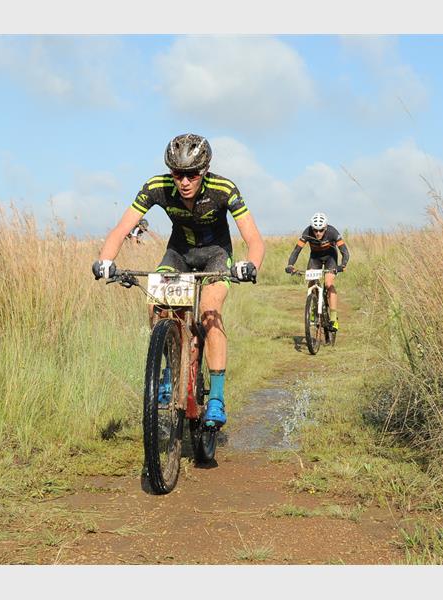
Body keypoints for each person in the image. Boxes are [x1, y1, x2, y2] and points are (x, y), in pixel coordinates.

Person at [92, 133, 265, 428]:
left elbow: (254, 239)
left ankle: (216, 398)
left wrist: (250, 265)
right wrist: (105, 261)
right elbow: (122, 229)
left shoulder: (224, 189)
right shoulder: (156, 187)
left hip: (216, 256)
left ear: (204, 171)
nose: (184, 181)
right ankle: (171, 369)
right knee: (157, 305)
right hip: (178, 253)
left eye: (192, 174)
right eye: (177, 173)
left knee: (209, 309)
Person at [284, 212, 350, 331]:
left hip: (330, 258)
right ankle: (314, 308)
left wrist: (342, 265)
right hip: (315, 258)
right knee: (311, 282)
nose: (318, 233)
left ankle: (333, 319)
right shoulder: (307, 232)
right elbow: (296, 250)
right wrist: (290, 265)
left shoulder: (332, 232)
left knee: (329, 284)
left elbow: (345, 252)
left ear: (326, 227)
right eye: (315, 230)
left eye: (321, 230)